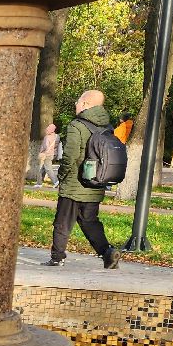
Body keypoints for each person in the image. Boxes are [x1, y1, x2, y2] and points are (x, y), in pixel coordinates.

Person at [50, 90, 121, 269]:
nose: (76, 105)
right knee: (89, 221)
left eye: (78, 101)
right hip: (96, 183)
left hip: (74, 184)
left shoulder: (77, 125)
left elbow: (70, 155)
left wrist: (61, 174)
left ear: (85, 104)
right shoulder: (107, 126)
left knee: (63, 221)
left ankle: (57, 257)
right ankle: (108, 253)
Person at [35, 122, 61, 189]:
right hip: (54, 154)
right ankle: (39, 183)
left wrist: (41, 152)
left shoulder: (47, 137)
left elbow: (45, 147)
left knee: (48, 169)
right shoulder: (57, 136)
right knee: (42, 169)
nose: (46, 130)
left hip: (47, 154)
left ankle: (56, 181)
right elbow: (56, 146)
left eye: (48, 129)